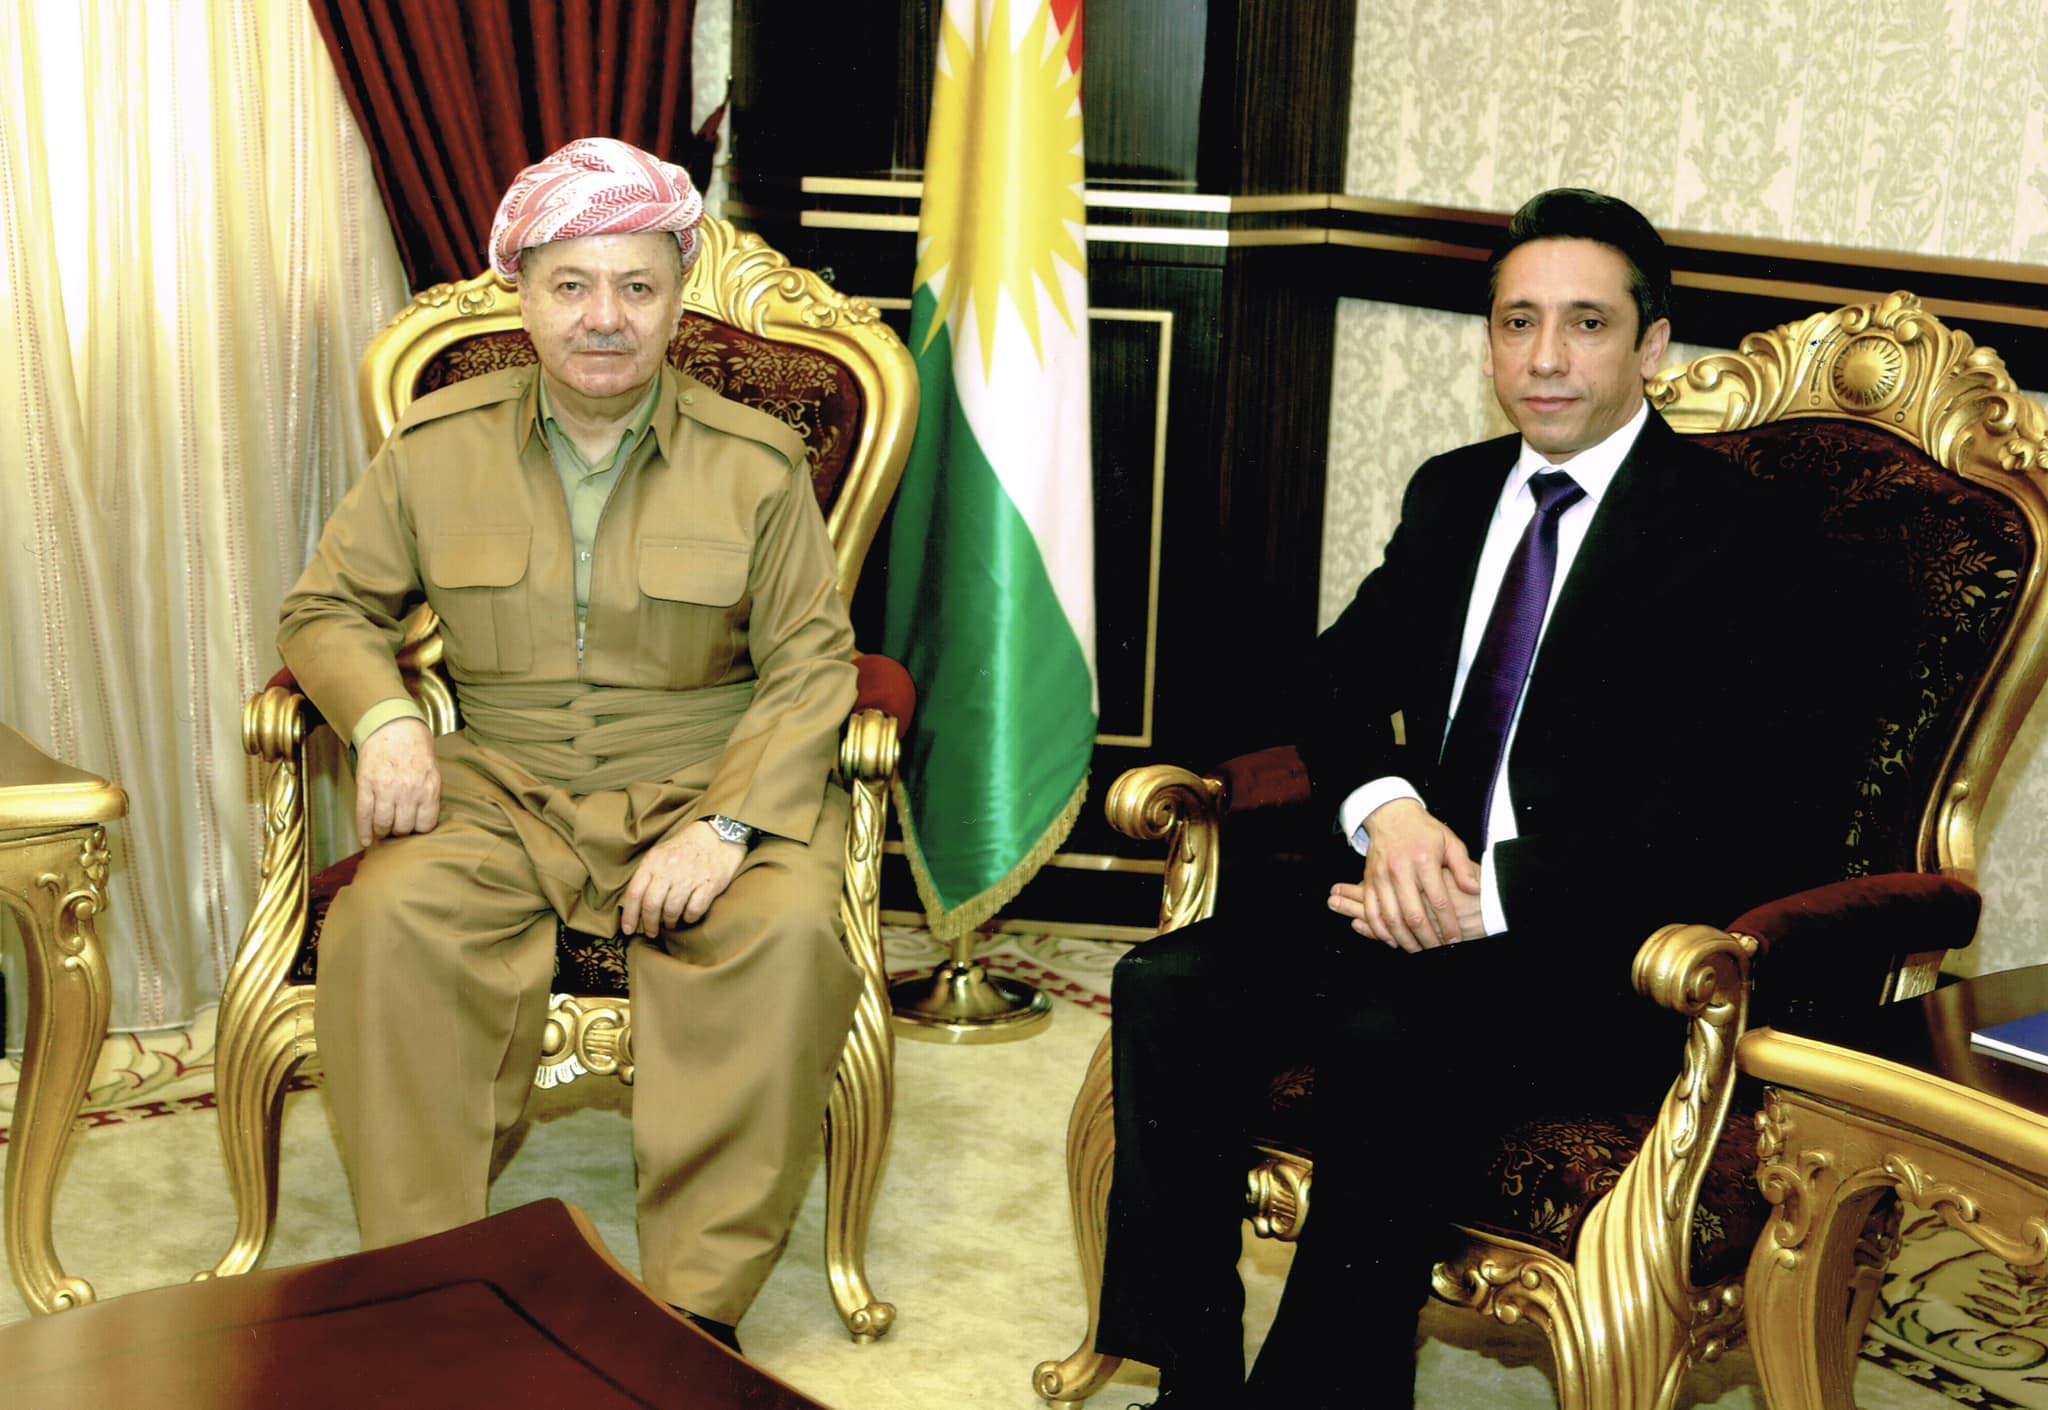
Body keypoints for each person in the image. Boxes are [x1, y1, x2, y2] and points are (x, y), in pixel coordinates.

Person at [1093, 189, 1875, 1406]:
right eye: (1516, 323)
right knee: (1165, 988)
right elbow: (1332, 685)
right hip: (1410, 888)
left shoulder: (1736, 535)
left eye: (1584, 324)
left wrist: (1496, 896)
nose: (1544, 358)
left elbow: (1746, 811)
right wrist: (1391, 818)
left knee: (1386, 1037)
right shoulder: (1455, 493)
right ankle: (1188, 1379)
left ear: (1650, 348)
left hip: (1599, 941)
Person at [277, 137, 862, 1353]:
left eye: (637, 287)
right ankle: (432, 1278)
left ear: (677, 297)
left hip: (706, 780)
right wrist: (386, 720)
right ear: (524, 295)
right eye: (573, 286)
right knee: (389, 924)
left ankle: (695, 1310)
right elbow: (325, 611)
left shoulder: (757, 462)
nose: (605, 318)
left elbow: (814, 664)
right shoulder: (434, 446)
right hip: (498, 786)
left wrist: (728, 826)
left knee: (783, 934)